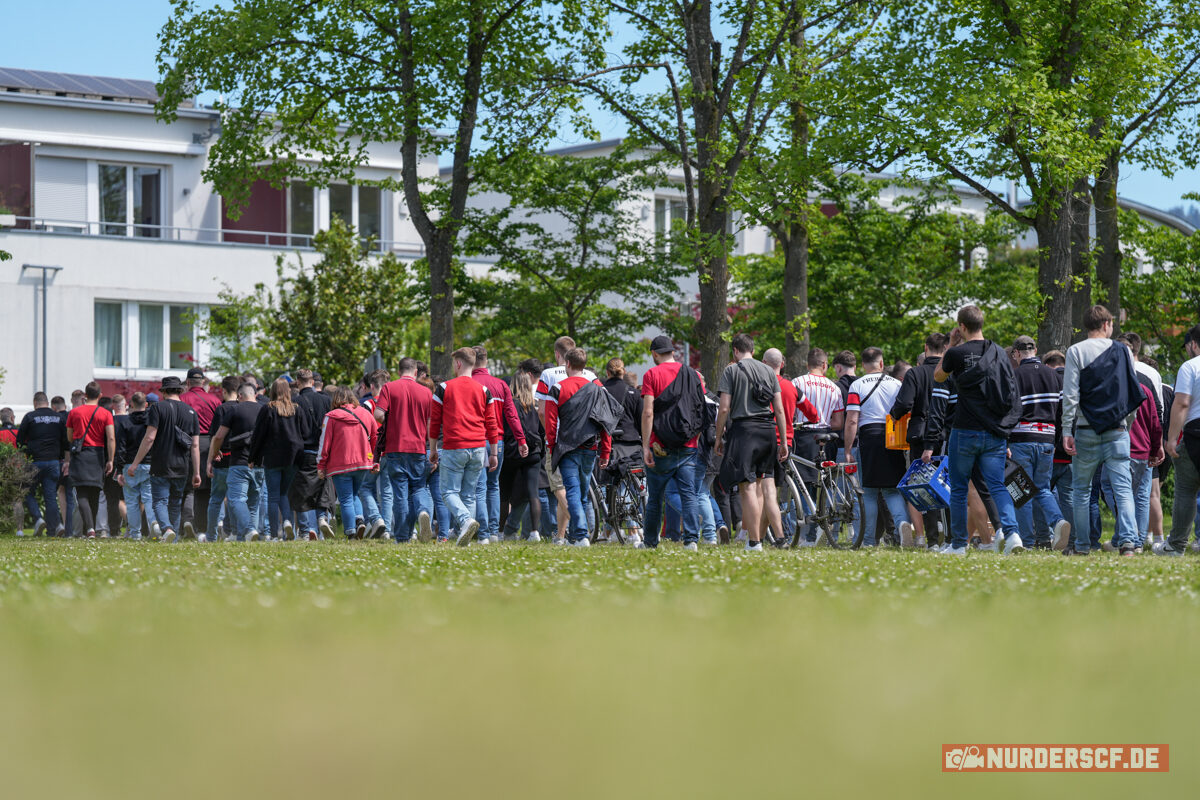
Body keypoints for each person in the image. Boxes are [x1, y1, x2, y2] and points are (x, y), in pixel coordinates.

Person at [933, 305, 1022, 556]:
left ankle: (959, 545)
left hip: (964, 430)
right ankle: (1012, 533)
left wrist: (950, 344)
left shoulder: (956, 354)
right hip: (993, 431)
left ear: (961, 327)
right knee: (996, 485)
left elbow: (939, 376)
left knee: (959, 488)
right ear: (982, 324)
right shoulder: (998, 353)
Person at [1061, 305, 1141, 556]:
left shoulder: (1075, 351)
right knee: (1123, 488)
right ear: (1106, 324)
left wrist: (1067, 430)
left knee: (1082, 491)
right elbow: (1132, 391)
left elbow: (1071, 396)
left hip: (1085, 429)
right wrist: (1127, 423)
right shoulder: (1122, 351)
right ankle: (1128, 543)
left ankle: (1082, 546)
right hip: (1117, 430)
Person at [714, 334, 790, 552]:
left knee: (747, 489)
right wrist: (783, 440)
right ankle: (780, 537)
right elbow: (779, 409)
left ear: (735, 351)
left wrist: (718, 438)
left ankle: (755, 542)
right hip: (768, 431)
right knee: (767, 487)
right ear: (754, 351)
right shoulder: (768, 370)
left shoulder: (732, 370)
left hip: (743, 432)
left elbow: (725, 408)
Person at [639, 335, 706, 550]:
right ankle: (691, 541)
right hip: (688, 444)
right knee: (688, 494)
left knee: (655, 498)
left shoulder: (651, 374)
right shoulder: (692, 374)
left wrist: (646, 445)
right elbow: (700, 407)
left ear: (655, 354)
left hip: (660, 445)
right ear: (672, 352)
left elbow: (648, 412)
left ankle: (650, 542)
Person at [843, 347, 912, 547]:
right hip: (893, 437)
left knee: (869, 492)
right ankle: (903, 526)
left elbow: (852, 421)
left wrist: (848, 450)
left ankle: (868, 540)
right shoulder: (896, 384)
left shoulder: (857, 385)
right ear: (881, 363)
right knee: (893, 490)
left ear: (863, 365)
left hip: (869, 439)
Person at [1007, 335, 1071, 550]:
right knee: (1043, 488)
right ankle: (1058, 521)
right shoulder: (1054, 376)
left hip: (1021, 438)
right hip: (1047, 438)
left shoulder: (1014, 376)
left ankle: (1027, 541)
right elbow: (1063, 410)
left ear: (1016, 353)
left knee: (1022, 491)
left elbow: (1008, 411)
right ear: (1035, 351)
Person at [431, 347, 500, 546]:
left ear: (458, 363)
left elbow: (435, 422)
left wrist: (434, 449)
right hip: (479, 447)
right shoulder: (484, 390)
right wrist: (493, 452)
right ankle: (466, 537)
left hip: (454, 446)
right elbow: (492, 423)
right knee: (469, 494)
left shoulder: (444, 388)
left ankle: (465, 521)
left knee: (448, 492)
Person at [545, 347, 613, 546]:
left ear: (567, 364)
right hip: (590, 448)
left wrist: (551, 446)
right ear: (584, 366)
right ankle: (578, 535)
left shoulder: (557, 389)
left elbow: (550, 423)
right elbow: (605, 422)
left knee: (574, 492)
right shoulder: (596, 389)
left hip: (567, 447)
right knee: (582, 493)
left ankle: (581, 535)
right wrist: (606, 451)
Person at [536, 336, 600, 542]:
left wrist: (550, 441)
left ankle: (579, 529)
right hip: (589, 439)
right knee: (579, 489)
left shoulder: (548, 375)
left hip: (562, 441)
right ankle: (566, 534)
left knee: (561, 488)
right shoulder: (591, 377)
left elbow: (543, 412)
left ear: (558, 354)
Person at [889, 333, 950, 548]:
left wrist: (894, 414)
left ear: (925, 348)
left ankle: (932, 538)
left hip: (920, 433)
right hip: (946, 432)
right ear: (945, 349)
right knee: (949, 484)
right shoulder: (950, 373)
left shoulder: (916, 373)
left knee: (924, 485)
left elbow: (904, 402)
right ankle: (952, 537)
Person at [127, 377, 201, 542]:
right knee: (175, 502)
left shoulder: (157, 408)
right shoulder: (191, 412)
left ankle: (167, 529)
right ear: (180, 391)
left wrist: (135, 463)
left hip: (161, 463)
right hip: (182, 465)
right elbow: (194, 445)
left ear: (164, 391)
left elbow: (149, 438)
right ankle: (172, 540)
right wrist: (197, 472)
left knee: (159, 501)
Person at [373, 357, 435, 543]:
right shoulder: (425, 392)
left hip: (395, 447)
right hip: (418, 448)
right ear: (416, 372)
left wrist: (391, 424)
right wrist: (432, 450)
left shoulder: (389, 388)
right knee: (418, 487)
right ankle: (424, 511)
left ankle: (402, 537)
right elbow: (431, 424)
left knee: (400, 493)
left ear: (399, 371)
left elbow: (378, 414)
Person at [792, 347, 848, 544]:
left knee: (802, 484)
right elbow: (839, 422)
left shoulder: (798, 382)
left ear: (807, 364)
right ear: (825, 365)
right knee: (826, 482)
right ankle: (827, 520)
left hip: (804, 436)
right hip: (828, 436)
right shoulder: (834, 387)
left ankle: (810, 531)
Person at [471, 346, 528, 543]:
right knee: (493, 485)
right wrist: (521, 439)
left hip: (475, 440)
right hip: (498, 442)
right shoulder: (500, 385)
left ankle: (483, 531)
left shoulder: (469, 383)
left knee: (477, 487)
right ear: (486, 360)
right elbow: (512, 415)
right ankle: (494, 531)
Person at [318, 386, 386, 540]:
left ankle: (351, 533)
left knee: (346, 499)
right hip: (363, 462)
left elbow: (325, 443)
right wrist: (376, 461)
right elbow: (376, 437)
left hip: (340, 464)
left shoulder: (331, 416)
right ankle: (360, 521)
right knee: (354, 495)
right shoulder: (365, 414)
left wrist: (321, 465)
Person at [249, 378, 310, 540]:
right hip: (293, 457)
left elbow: (258, 436)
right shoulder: (297, 409)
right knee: (284, 494)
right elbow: (306, 434)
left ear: (273, 391)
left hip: (273, 457)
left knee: (273, 496)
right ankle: (288, 522)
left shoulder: (268, 409)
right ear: (288, 391)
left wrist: (253, 458)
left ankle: (275, 534)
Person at [1158, 323, 1200, 556]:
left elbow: (1182, 403)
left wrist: (1171, 438)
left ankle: (1176, 546)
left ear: (1193, 344)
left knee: (1186, 490)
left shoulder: (1190, 367)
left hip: (1195, 434)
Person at [210, 383, 266, 540]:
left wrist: (215, 453)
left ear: (239, 396)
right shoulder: (265, 409)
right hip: (260, 465)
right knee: (253, 504)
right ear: (255, 395)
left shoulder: (235, 409)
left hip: (239, 462)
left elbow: (219, 436)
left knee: (236, 500)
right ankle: (246, 538)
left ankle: (249, 530)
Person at [500, 367, 546, 541]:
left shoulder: (511, 405)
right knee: (533, 493)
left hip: (512, 452)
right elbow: (541, 431)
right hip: (533, 453)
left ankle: (501, 531)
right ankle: (535, 532)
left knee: (504, 494)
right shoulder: (534, 406)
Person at [65, 382, 115, 538]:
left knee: (81, 492)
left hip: (80, 454)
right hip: (98, 454)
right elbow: (111, 438)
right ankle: (91, 529)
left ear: (85, 396)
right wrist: (111, 460)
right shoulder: (106, 414)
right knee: (95, 491)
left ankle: (90, 529)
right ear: (100, 395)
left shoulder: (74, 413)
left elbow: (70, 436)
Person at [16, 393, 68, 537]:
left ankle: (38, 519)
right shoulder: (59, 418)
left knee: (27, 492)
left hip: (35, 462)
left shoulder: (29, 417)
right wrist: (64, 459)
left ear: (35, 403)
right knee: (50, 496)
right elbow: (66, 442)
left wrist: (27, 452)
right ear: (47, 403)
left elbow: (19, 441)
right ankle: (55, 528)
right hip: (53, 462)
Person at [292, 369, 334, 540]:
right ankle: (323, 518)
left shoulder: (295, 402)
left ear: (298, 381)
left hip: (304, 452)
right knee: (323, 490)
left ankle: (308, 529)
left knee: (303, 492)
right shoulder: (326, 401)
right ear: (312, 381)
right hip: (324, 452)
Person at [181, 367, 220, 537]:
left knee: (184, 487)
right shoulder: (214, 400)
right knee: (204, 489)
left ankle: (184, 523)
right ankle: (202, 528)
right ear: (203, 382)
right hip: (207, 444)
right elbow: (219, 427)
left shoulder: (181, 399)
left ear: (188, 382)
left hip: (183, 443)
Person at [115, 392, 154, 540]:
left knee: (131, 502)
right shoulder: (151, 422)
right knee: (149, 499)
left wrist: (119, 469)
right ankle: (153, 529)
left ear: (131, 404)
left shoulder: (125, 422)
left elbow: (121, 447)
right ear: (146, 405)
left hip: (129, 464)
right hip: (149, 463)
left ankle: (135, 533)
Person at [205, 377, 240, 540]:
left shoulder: (221, 409)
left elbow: (215, 436)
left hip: (221, 458)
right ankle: (234, 532)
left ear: (224, 391)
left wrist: (210, 460)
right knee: (236, 499)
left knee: (216, 499)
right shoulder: (243, 408)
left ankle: (211, 535)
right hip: (239, 460)